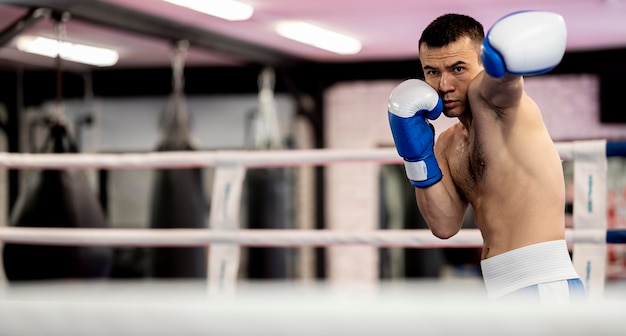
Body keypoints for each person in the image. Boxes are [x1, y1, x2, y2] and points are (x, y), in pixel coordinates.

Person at [387, 11, 586, 304]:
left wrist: (504, 62)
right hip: (499, 287)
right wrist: (415, 153)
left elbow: (505, 84)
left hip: (543, 283)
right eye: (432, 71)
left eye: (457, 69)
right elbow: (444, 226)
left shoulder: (493, 101)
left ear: (482, 64)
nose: (443, 85)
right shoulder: (446, 143)